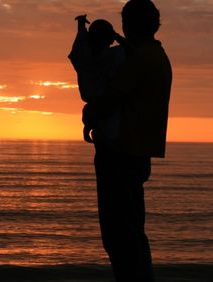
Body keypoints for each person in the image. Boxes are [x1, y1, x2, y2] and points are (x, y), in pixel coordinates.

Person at [90, 1, 172, 281]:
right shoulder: (157, 55)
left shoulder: (138, 59)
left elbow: (112, 96)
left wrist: (89, 113)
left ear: (128, 24)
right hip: (139, 152)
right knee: (134, 231)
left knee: (117, 235)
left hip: (120, 152)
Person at [68, 14, 126, 144]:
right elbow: (131, 49)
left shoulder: (81, 57)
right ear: (110, 40)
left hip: (93, 106)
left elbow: (80, 41)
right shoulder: (114, 56)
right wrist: (116, 35)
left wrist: (81, 24)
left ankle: (89, 126)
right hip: (108, 108)